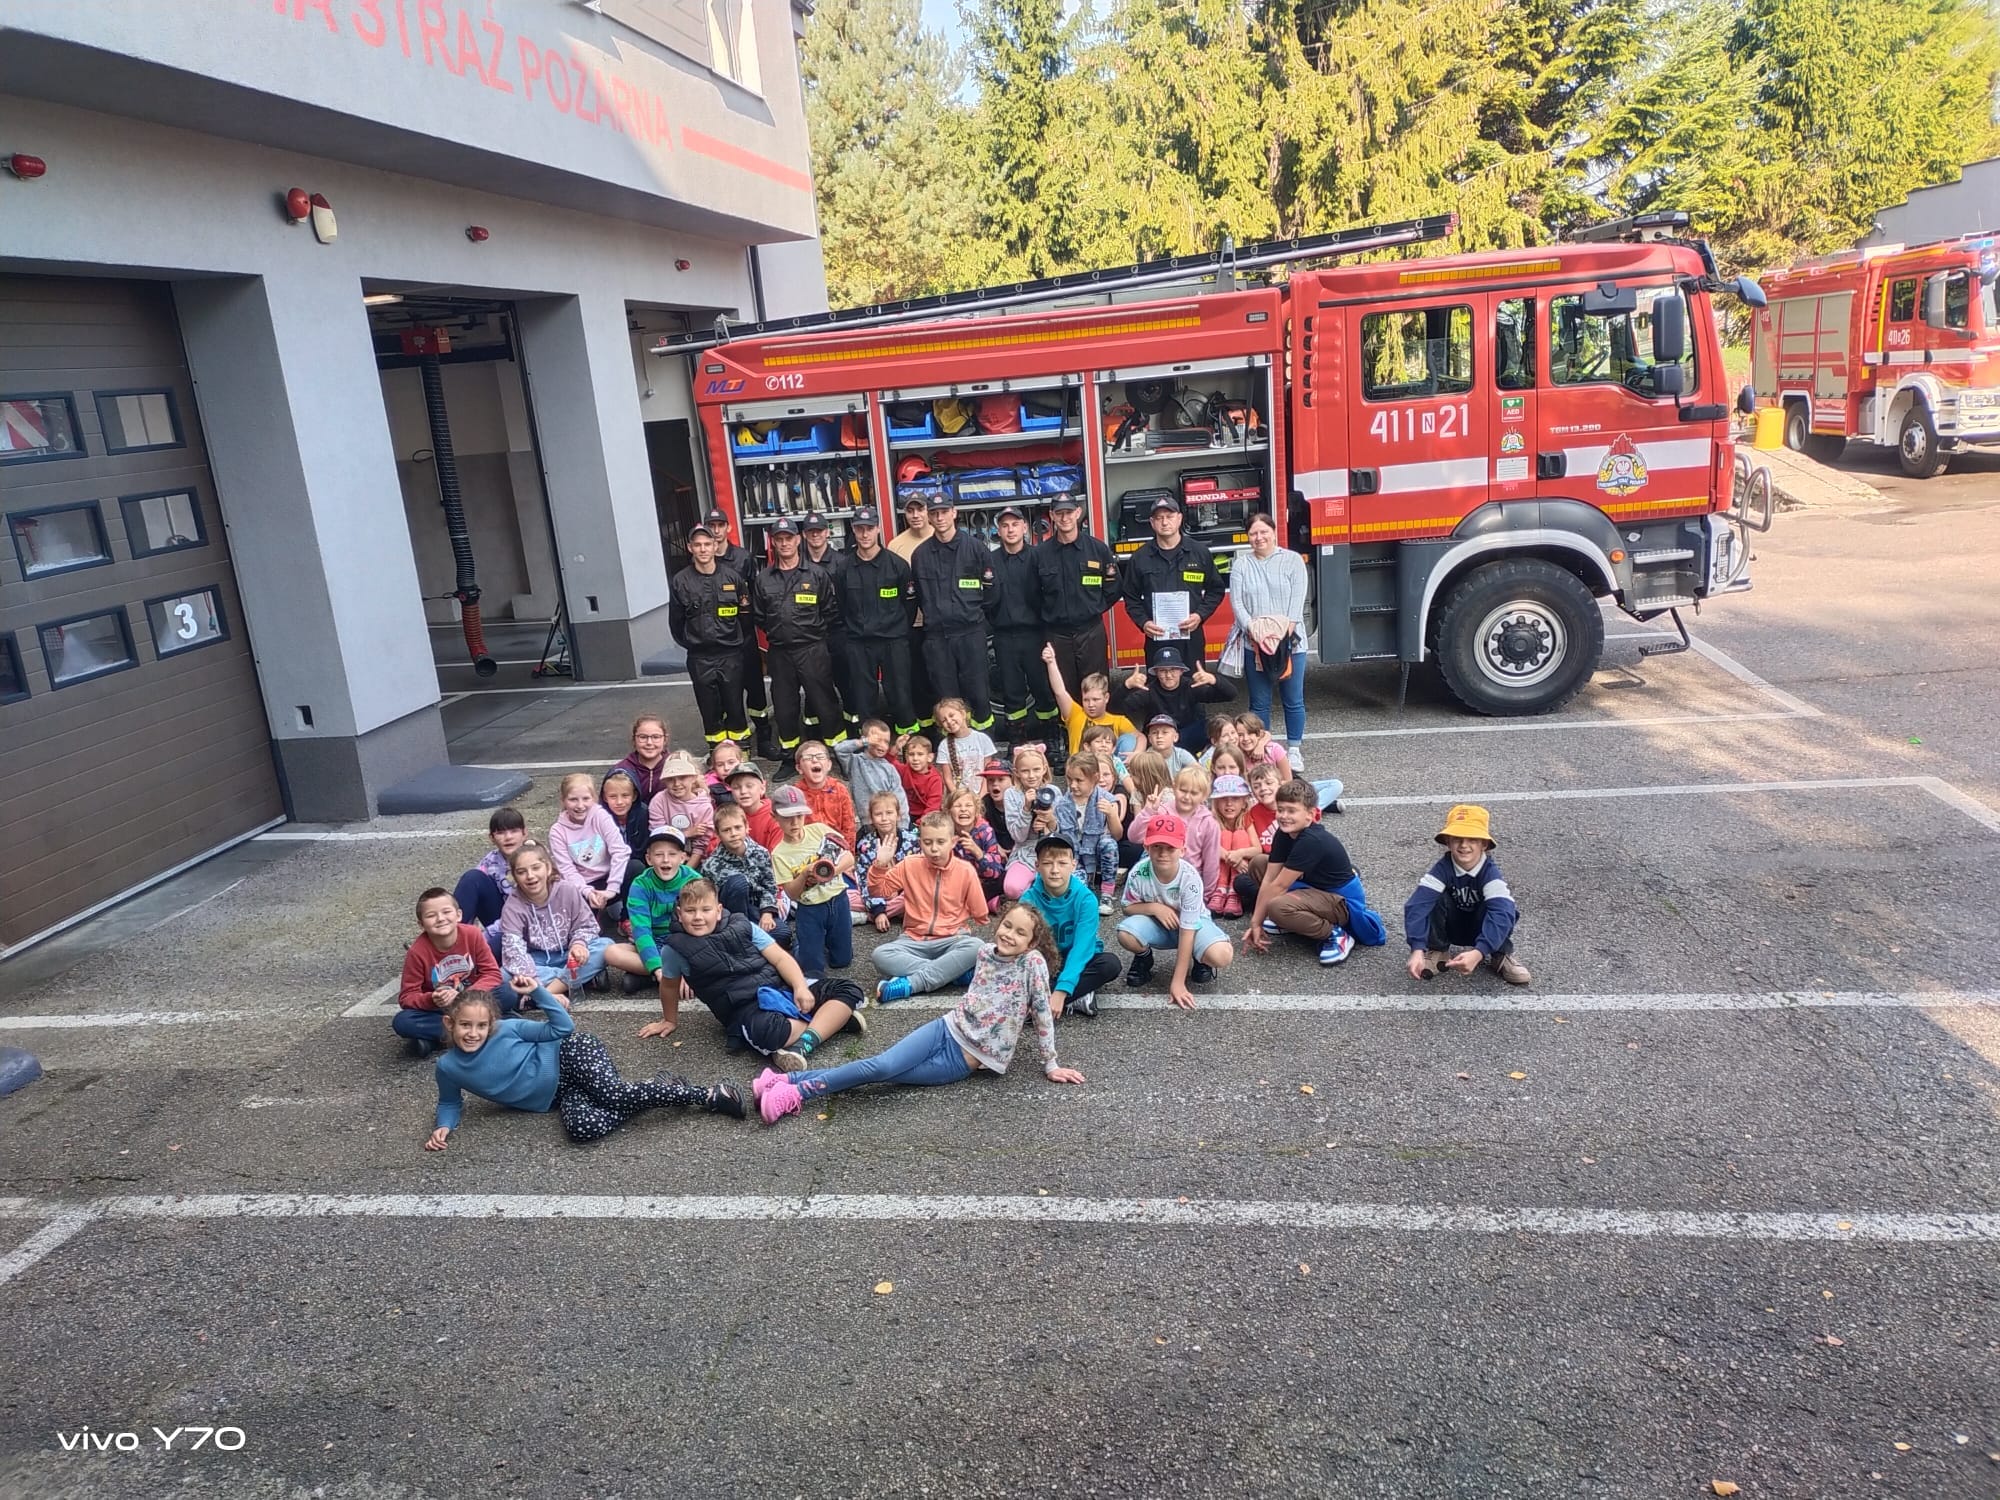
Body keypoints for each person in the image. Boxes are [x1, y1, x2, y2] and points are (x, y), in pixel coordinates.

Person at [754, 901, 1084, 1124]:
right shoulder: (985, 952)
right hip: (946, 1028)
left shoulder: (1032, 964)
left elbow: (1042, 1013)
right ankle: (792, 1089)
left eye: (1020, 933)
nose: (1009, 934)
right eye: (1007, 925)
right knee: (880, 1065)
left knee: (881, 1073)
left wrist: (1051, 1063)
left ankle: (789, 1083)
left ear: (1031, 944)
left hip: (963, 1059)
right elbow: (977, 997)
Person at [425, 982, 742, 1151]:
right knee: (581, 1130)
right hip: (559, 1096)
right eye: (465, 1025)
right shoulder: (448, 1066)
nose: (473, 1032)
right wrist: (444, 1125)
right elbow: (450, 1101)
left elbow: (562, 1029)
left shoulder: (507, 1028)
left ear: (491, 1023)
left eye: (481, 1025)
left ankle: (709, 1094)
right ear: (449, 1024)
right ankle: (661, 1090)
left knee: (614, 1094)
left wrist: (538, 991)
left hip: (571, 1053)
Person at [643, 878, 866, 1070]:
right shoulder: (675, 948)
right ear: (680, 914)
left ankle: (806, 1040)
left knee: (848, 989)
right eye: (690, 911)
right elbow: (670, 985)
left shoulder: (743, 925)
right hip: (745, 1009)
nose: (698, 917)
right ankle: (830, 1023)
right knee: (769, 1033)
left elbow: (780, 958)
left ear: (719, 910)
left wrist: (799, 987)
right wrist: (669, 1020)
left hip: (782, 989)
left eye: (706, 910)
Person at [1237, 779, 1387, 967]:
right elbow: (1269, 878)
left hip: (1342, 902)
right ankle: (1294, 920)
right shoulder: (1284, 833)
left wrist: (1257, 922)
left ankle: (1335, 933)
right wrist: (1256, 922)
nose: (1284, 816)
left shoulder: (1312, 840)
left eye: (1291, 811)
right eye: (1281, 809)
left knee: (1278, 907)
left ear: (1310, 815)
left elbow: (1279, 886)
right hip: (1315, 889)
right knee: (1259, 864)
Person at [751, 515, 843, 771]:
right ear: (773, 542)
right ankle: (790, 758)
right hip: (780, 653)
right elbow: (760, 615)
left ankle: (839, 754)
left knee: (825, 703)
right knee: (784, 707)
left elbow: (830, 611)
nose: (784, 543)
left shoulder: (816, 575)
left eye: (788, 538)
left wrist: (810, 633)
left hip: (812, 649)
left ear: (798, 539)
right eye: (778, 539)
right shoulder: (763, 579)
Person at [1115, 811, 1234, 1008]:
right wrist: (1155, 908)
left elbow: (1187, 931)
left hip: (1192, 927)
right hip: (1159, 924)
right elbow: (1127, 907)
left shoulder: (1190, 878)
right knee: (1125, 933)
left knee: (1221, 954)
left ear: (1183, 850)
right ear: (1146, 847)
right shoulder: (1138, 872)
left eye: (1170, 848)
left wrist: (1178, 983)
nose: (1163, 853)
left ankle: (1200, 958)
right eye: (1157, 847)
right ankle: (1144, 958)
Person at [1404, 804, 1531, 985]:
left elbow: (1502, 913)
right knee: (1430, 898)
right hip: (1452, 926)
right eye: (1457, 839)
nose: (1464, 845)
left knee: (1503, 907)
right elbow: (1416, 905)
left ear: (1484, 844)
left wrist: (1479, 951)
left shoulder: (1490, 873)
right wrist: (1417, 948)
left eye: (1472, 839)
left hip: (1481, 928)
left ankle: (1500, 954)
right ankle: (1438, 950)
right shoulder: (1442, 869)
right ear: (1448, 842)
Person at [867, 811, 989, 1001]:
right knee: (880, 955)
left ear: (953, 841)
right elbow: (878, 892)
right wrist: (880, 865)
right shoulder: (909, 864)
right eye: (927, 842)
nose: (934, 849)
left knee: (977, 946)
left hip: (952, 939)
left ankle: (910, 985)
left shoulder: (965, 870)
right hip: (913, 940)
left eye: (941, 842)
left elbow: (981, 913)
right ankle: (951, 974)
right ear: (920, 841)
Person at [1227, 510, 1311, 772]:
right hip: (1255, 643)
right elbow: (1237, 602)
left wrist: (1284, 632)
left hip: (1290, 642)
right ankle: (1263, 745)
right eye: (1253, 533)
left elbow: (1298, 601)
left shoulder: (1292, 560)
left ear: (1274, 532)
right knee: (1259, 702)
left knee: (1293, 698)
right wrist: (1252, 628)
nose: (1259, 537)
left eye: (1264, 532)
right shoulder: (1242, 564)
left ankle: (1294, 749)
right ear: (1248, 537)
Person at [911, 498, 999, 735]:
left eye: (944, 512)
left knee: (978, 694)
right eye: (935, 513)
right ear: (929, 516)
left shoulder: (975, 548)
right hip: (937, 638)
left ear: (954, 513)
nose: (939, 518)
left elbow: (991, 590)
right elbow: (918, 596)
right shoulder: (920, 555)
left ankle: (985, 747)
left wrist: (973, 616)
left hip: (970, 633)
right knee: (945, 700)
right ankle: (951, 750)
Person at [669, 521, 752, 751]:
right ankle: (716, 755)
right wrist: (695, 644)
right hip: (700, 657)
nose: (703, 549)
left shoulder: (732, 578)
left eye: (707, 544)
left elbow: (745, 618)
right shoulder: (680, 582)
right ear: (690, 548)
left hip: (730, 654)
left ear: (716, 546)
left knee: (735, 706)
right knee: (709, 710)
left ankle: (741, 752)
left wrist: (732, 641)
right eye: (698, 545)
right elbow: (676, 623)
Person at [1020, 834, 1123, 1019]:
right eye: (1047, 863)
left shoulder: (1086, 899)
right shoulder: (1028, 900)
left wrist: (1061, 991)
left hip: (1075, 957)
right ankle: (1078, 996)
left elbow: (1082, 948)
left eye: (1062, 863)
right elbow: (1023, 946)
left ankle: (1045, 1002)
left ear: (1073, 865)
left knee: (1110, 964)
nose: (1054, 870)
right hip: (1045, 961)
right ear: (1037, 866)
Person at [836, 513, 920, 737]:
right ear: (853, 530)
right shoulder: (843, 569)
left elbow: (909, 603)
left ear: (878, 529)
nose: (865, 534)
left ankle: (907, 742)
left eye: (869, 528)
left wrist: (899, 630)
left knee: (901, 695)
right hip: (859, 643)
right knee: (864, 699)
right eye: (860, 528)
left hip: (894, 641)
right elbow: (841, 606)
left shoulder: (897, 565)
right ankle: (871, 745)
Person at [396, 888, 507, 1057]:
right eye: (431, 915)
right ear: (421, 924)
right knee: (403, 1022)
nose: (440, 919)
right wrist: (431, 999)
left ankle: (438, 1040)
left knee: (508, 993)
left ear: (459, 915)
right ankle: (489, 1029)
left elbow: (492, 973)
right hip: (442, 1010)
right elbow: (407, 997)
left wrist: (466, 996)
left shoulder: (473, 934)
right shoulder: (417, 952)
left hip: (475, 1001)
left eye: (446, 912)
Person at [1120, 494, 1223, 668]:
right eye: (1159, 518)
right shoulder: (1140, 558)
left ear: (1180, 518)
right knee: (1159, 689)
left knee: (1194, 685)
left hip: (1191, 637)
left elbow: (1216, 590)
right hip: (1157, 637)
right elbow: (1130, 597)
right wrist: (1144, 623)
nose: (1165, 522)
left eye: (1169, 516)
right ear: (1152, 523)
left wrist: (1199, 615)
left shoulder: (1199, 553)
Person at [1033, 491, 1120, 699]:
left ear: (1078, 513)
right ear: (1052, 516)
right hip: (1057, 635)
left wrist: (1092, 609)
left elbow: (1113, 588)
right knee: (1064, 692)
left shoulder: (1097, 550)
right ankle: (1069, 731)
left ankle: (1098, 732)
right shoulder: (1039, 555)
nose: (1065, 518)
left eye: (1069, 512)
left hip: (1091, 632)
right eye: (1060, 513)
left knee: (1096, 690)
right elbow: (1032, 594)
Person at [708, 507, 778, 760]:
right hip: (719, 644)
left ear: (728, 528)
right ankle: (735, 747)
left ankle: (765, 739)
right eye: (711, 526)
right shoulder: (703, 560)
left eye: (720, 525)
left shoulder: (743, 558)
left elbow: (754, 594)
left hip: (744, 638)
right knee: (728, 696)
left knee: (756, 691)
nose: (716, 531)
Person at [498, 843, 610, 995]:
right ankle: (583, 979)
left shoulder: (567, 890)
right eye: (521, 872)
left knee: (606, 946)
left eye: (536, 868)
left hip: (570, 954)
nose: (530, 876)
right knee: (503, 975)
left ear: (548, 868)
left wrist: (578, 944)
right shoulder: (512, 906)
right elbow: (514, 950)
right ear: (515, 876)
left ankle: (547, 993)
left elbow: (587, 926)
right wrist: (533, 976)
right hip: (538, 960)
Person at [771, 784, 855, 975]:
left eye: (799, 816)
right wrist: (805, 874)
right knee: (812, 968)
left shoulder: (819, 830)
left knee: (842, 961)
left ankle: (822, 943)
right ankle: (803, 945)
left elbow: (849, 857)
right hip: (810, 908)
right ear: (774, 816)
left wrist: (833, 870)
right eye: (787, 818)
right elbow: (792, 893)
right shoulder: (779, 853)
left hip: (838, 898)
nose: (795, 823)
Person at [988, 504, 1055, 749]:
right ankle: (1017, 745)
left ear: (1025, 527)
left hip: (1035, 634)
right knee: (1012, 694)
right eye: (1005, 525)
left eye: (1015, 524)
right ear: (998, 530)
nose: (1010, 529)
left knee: (1043, 690)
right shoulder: (990, 560)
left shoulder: (1038, 557)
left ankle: (1052, 742)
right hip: (1004, 636)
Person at [612, 827, 706, 990]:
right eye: (658, 854)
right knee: (611, 952)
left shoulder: (694, 881)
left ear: (683, 857)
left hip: (685, 940)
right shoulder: (640, 884)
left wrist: (686, 959)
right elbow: (641, 930)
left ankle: (648, 978)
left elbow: (701, 926)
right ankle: (665, 975)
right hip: (655, 940)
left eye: (672, 854)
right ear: (648, 859)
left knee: (710, 954)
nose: (665, 860)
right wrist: (658, 968)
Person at [1116, 646, 1236, 750]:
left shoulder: (1191, 686)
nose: (1168, 675)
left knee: (1211, 726)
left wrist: (1213, 680)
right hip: (1160, 739)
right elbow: (1115, 710)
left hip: (1188, 736)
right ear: (1156, 673)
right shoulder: (1149, 691)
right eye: (1163, 671)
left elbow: (1230, 695)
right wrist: (1126, 686)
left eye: (1173, 670)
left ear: (1181, 671)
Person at [704, 800, 790, 942]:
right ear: (718, 834)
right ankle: (739, 933)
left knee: (783, 935)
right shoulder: (711, 864)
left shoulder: (761, 853)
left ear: (747, 827)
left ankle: (749, 939)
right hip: (730, 915)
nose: (733, 834)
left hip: (757, 909)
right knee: (739, 882)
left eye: (738, 827)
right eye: (726, 830)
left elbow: (770, 886)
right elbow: (710, 899)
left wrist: (767, 913)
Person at [886, 493, 937, 732]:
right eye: (910, 511)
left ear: (929, 511)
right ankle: (926, 733)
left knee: (944, 682)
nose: (916, 515)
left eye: (920, 509)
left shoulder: (942, 537)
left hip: (940, 625)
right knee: (918, 682)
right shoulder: (895, 546)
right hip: (912, 627)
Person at [547, 772, 630, 917]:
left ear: (594, 799)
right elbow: (567, 870)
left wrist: (612, 889)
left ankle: (626, 917)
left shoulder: (600, 816)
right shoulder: (557, 831)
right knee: (564, 893)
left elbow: (620, 851)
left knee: (635, 867)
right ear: (563, 800)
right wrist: (587, 891)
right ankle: (594, 918)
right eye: (573, 799)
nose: (580, 805)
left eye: (586, 798)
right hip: (584, 885)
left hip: (610, 879)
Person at [799, 511, 853, 733]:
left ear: (827, 533)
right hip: (810, 637)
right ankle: (814, 734)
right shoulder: (796, 564)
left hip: (838, 633)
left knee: (847, 683)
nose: (815, 536)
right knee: (815, 688)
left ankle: (852, 729)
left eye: (819, 531)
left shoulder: (842, 563)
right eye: (811, 532)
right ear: (804, 534)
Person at [1042, 643, 1138, 755]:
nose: (1090, 704)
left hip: (1107, 770)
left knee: (1129, 740)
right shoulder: (1076, 715)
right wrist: (1051, 663)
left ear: (1106, 697)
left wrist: (1137, 753)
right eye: (1086, 700)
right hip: (1080, 769)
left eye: (1095, 699)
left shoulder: (1118, 721)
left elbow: (1140, 737)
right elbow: (1059, 692)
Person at [452, 806, 526, 945]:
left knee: (496, 945)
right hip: (500, 918)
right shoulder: (490, 861)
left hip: (530, 922)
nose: (508, 837)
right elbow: (472, 892)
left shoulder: (534, 859)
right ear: (491, 837)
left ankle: (469, 948)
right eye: (501, 833)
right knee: (472, 877)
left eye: (514, 831)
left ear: (524, 833)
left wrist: (482, 939)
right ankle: (449, 938)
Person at [852, 790, 919, 930]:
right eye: (878, 814)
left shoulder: (913, 841)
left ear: (898, 815)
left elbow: (919, 876)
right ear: (871, 817)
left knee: (914, 895)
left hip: (904, 893)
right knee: (846, 897)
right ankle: (882, 913)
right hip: (877, 893)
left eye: (889, 813)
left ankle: (867, 916)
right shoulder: (866, 845)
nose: (884, 818)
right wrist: (878, 911)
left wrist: (899, 891)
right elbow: (865, 881)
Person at [645, 750, 718, 865]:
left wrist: (686, 873)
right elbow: (658, 836)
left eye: (682, 777)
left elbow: (701, 846)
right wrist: (686, 834)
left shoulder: (704, 806)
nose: (676, 784)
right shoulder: (659, 801)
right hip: (665, 859)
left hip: (695, 861)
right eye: (670, 779)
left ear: (693, 778)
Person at [834, 718, 910, 825]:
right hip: (867, 822)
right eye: (877, 740)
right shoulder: (854, 762)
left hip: (887, 821)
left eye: (886, 742)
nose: (882, 745)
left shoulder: (889, 768)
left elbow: (900, 798)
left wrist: (903, 825)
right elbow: (839, 750)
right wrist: (864, 741)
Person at [946, 785, 1008, 903]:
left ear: (976, 811)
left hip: (983, 879)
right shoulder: (946, 832)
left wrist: (977, 852)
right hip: (956, 880)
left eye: (968, 805)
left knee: (1001, 880)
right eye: (957, 806)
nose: (963, 809)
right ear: (949, 812)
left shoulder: (985, 831)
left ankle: (980, 901)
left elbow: (995, 871)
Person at [792, 739, 857, 848]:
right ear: (799, 768)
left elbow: (849, 826)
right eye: (808, 758)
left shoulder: (840, 789)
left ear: (829, 765)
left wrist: (848, 853)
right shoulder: (794, 794)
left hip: (837, 847)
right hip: (807, 849)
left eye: (820, 756)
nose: (814, 760)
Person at [1210, 774, 1258, 918]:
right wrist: (1231, 858)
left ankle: (1233, 892)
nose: (1229, 804)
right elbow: (1209, 846)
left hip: (1241, 869)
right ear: (1216, 802)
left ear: (1244, 802)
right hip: (1219, 869)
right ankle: (1220, 889)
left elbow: (1257, 849)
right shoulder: (1212, 820)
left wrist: (1240, 854)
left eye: (1235, 799)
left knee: (1240, 835)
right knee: (1224, 835)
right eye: (1223, 799)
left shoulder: (1246, 818)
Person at [933, 697, 998, 793]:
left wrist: (981, 796)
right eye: (944, 720)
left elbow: (988, 772)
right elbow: (948, 779)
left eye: (951, 715)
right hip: (960, 797)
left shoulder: (982, 739)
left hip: (984, 794)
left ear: (963, 714)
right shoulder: (944, 746)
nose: (949, 721)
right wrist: (959, 797)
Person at [610, 715, 675, 809]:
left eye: (656, 737)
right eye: (643, 737)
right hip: (633, 822)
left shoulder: (676, 766)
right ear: (634, 740)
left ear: (665, 739)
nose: (649, 742)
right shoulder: (622, 770)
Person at [725, 763, 784, 850]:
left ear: (762, 788)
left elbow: (777, 855)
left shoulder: (776, 817)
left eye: (749, 786)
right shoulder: (729, 816)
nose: (743, 791)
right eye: (736, 787)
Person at [891, 732, 945, 820]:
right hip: (903, 815)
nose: (915, 758)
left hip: (925, 817)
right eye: (911, 754)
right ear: (907, 757)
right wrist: (896, 748)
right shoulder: (904, 770)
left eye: (920, 754)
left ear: (930, 757)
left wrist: (919, 824)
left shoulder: (935, 779)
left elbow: (933, 807)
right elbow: (888, 763)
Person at [1141, 714, 1196, 779]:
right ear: (1150, 739)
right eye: (1154, 733)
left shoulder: (1180, 755)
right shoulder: (1145, 759)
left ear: (1175, 737)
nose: (1159, 736)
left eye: (1165, 732)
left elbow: (1199, 772)